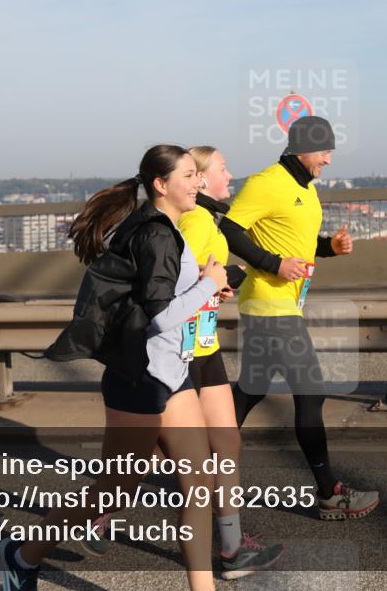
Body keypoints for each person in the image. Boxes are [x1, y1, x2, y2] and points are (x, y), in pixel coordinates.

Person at [0, 145, 228, 591]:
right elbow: (161, 315)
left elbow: (151, 289)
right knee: (113, 490)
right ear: (161, 185)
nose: (199, 183)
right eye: (189, 176)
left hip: (169, 373)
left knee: (198, 481)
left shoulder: (156, 226)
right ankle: (22, 555)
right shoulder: (158, 233)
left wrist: (202, 282)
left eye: (198, 175)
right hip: (139, 377)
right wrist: (210, 286)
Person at [81, 146, 285, 580]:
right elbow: (165, 295)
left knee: (220, 447)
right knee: (162, 460)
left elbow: (185, 280)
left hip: (201, 343)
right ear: (195, 179)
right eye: (219, 169)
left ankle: (228, 548)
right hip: (181, 350)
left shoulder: (204, 217)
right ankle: (92, 517)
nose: (229, 175)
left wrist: (215, 286)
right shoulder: (183, 223)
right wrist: (209, 285)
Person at [219, 116, 379, 519]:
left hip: (280, 307)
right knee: (310, 395)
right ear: (302, 149)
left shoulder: (305, 188)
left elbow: (296, 243)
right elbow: (230, 230)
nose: (328, 160)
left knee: (249, 392)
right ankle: (330, 494)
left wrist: (330, 247)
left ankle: (202, 467)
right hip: (271, 308)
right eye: (324, 151)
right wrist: (272, 265)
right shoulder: (266, 182)